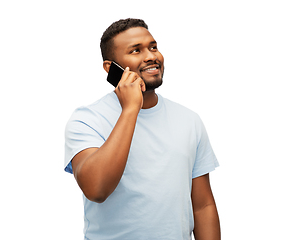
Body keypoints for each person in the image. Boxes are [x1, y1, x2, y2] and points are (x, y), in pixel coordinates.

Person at [64, 18, 220, 240]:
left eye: (153, 47)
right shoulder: (88, 119)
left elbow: (203, 206)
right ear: (111, 68)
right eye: (136, 50)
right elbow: (96, 189)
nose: (151, 56)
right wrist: (130, 110)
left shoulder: (189, 120)